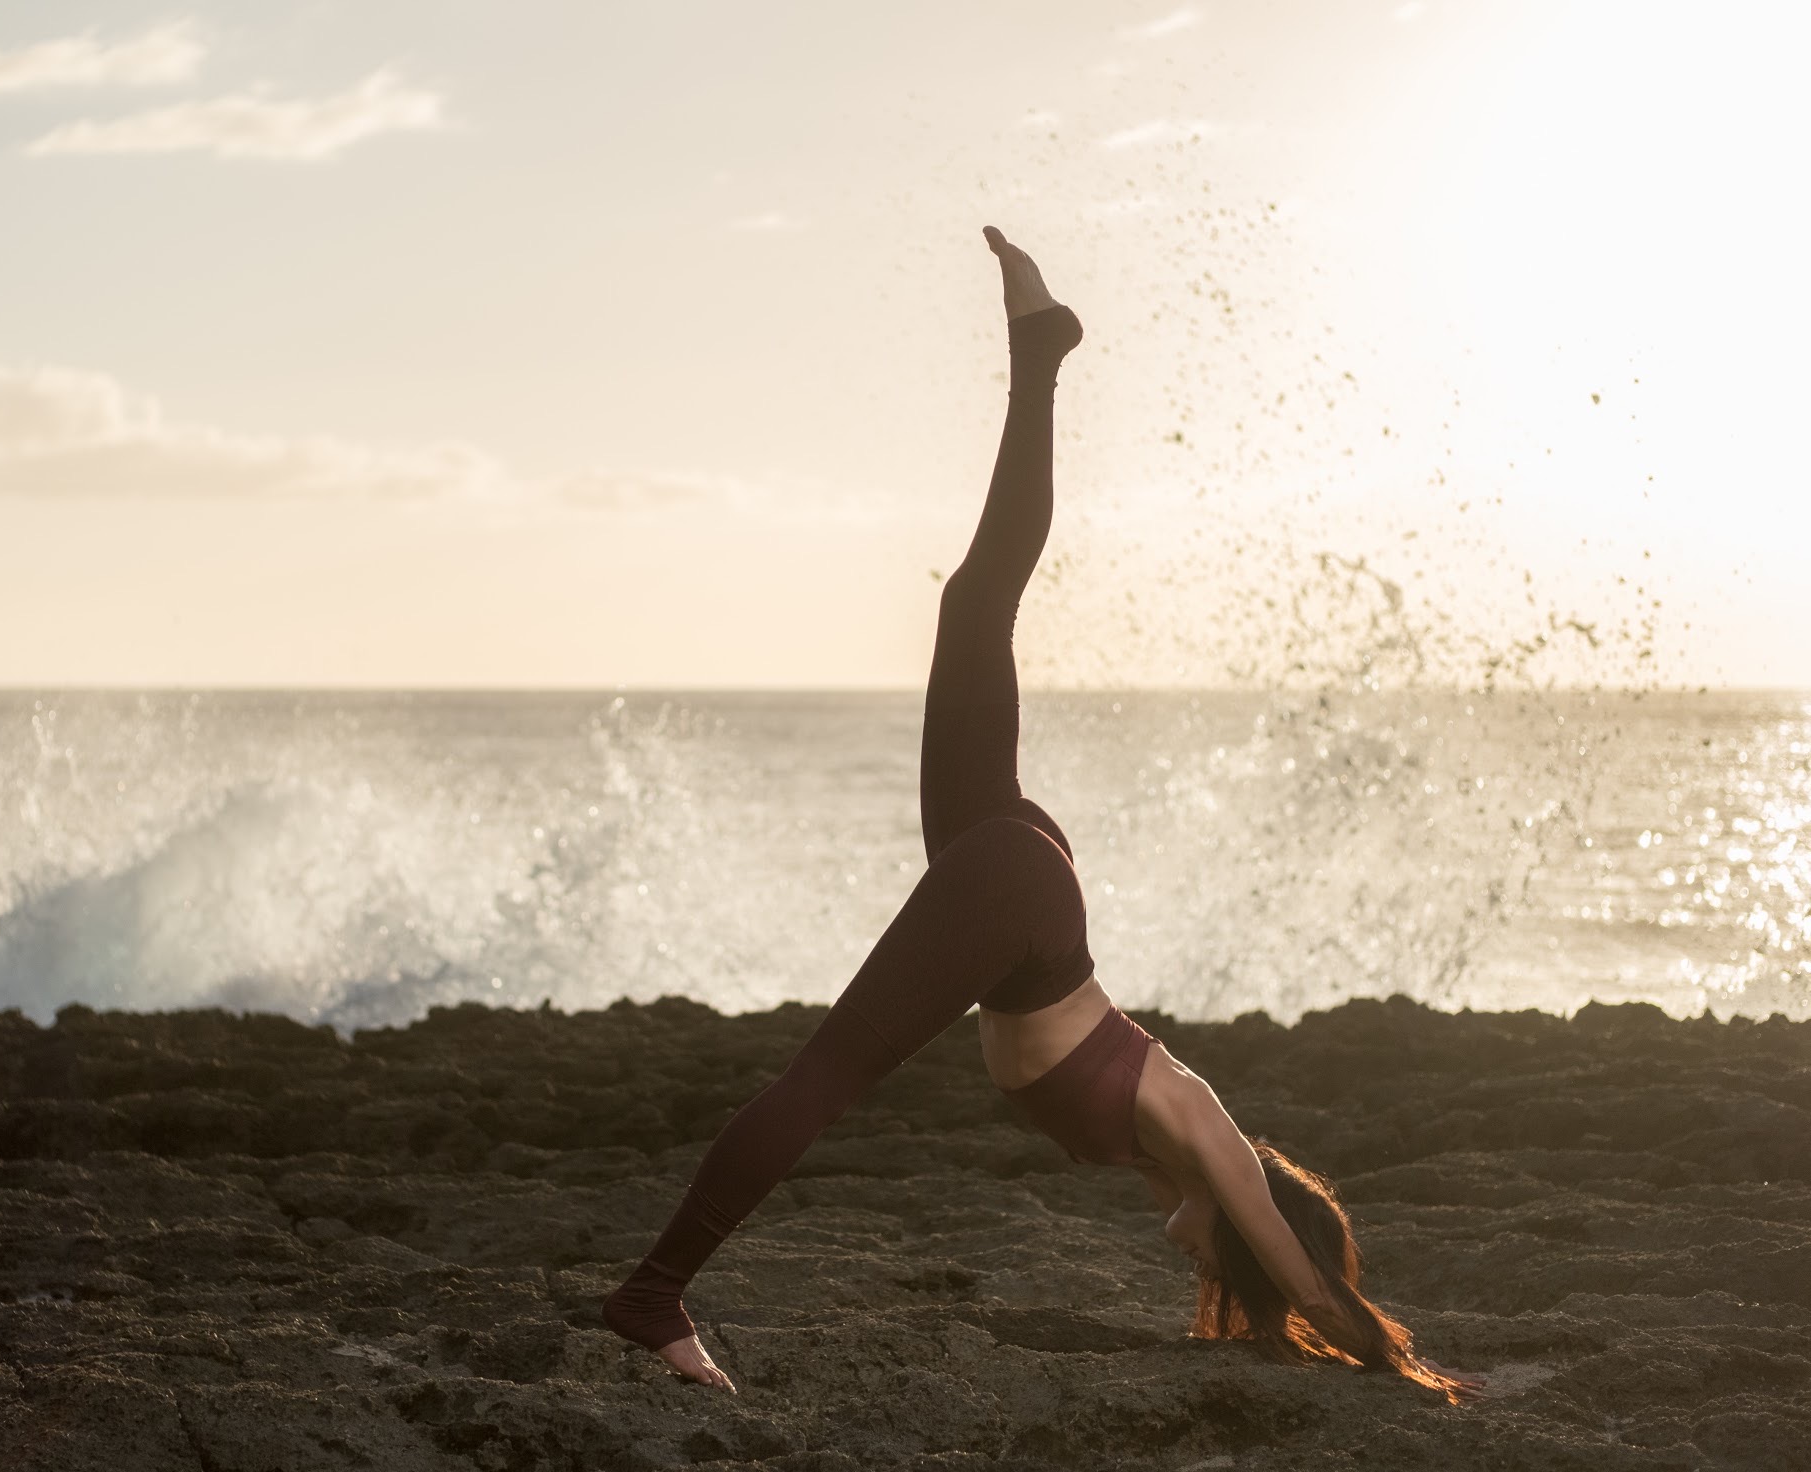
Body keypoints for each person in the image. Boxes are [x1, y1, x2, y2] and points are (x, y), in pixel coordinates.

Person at [601, 228, 1480, 1402]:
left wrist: (1265, 1321)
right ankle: (652, 1296)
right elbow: (1304, 1273)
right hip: (1020, 900)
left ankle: (1039, 350)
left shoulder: (1166, 1166)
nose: (1208, 1256)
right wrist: (1386, 1355)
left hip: (1020, 912)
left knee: (975, 603)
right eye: (1238, 1248)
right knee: (825, 1080)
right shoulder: (1205, 1132)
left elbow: (1265, 1275)